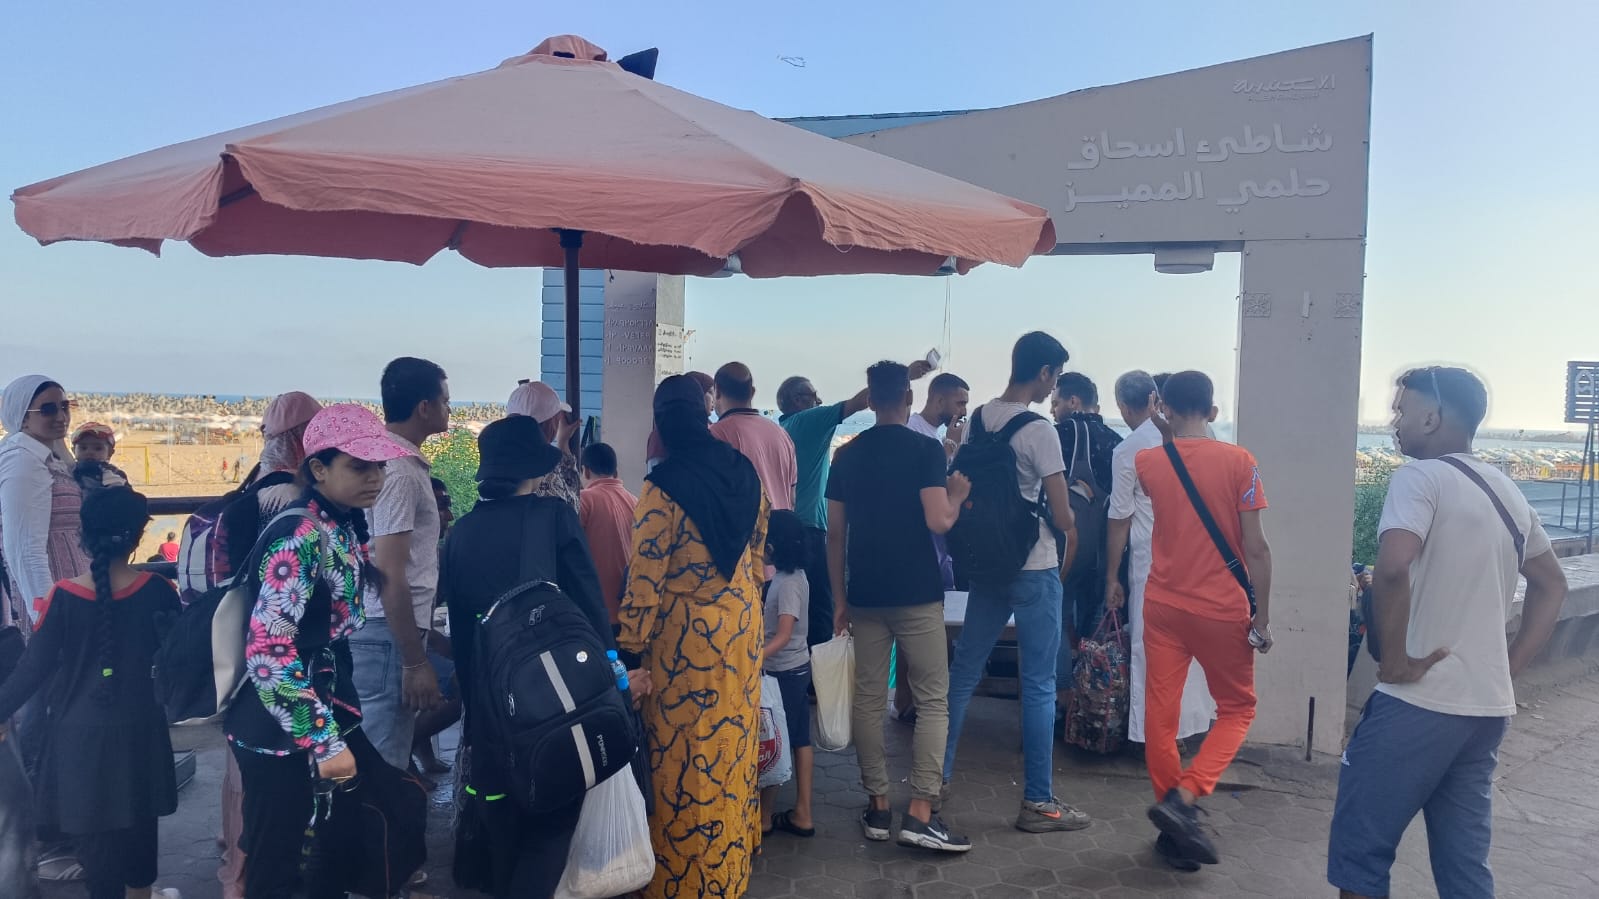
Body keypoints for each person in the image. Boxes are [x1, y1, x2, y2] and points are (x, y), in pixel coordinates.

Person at [1328, 367, 1568, 899]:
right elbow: (1553, 585)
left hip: (1418, 704)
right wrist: (1508, 668)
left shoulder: (1419, 478)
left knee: (1360, 856)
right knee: (1464, 866)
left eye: (1401, 409)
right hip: (1485, 712)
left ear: (1432, 417)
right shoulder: (1508, 492)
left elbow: (1393, 566)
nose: (1394, 420)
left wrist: (1395, 660)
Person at [225, 403, 415, 899]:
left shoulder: (337, 523)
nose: (375, 477)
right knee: (280, 862)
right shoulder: (301, 535)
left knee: (324, 854)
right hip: (281, 725)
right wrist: (324, 742)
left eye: (379, 466)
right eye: (359, 466)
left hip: (319, 705)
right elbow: (268, 653)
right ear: (319, 469)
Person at [441, 416, 620, 898]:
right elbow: (589, 602)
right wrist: (614, 671)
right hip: (554, 697)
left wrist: (474, 709)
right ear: (535, 470)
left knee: (502, 812)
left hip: (489, 703)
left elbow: (461, 630)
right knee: (551, 815)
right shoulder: (553, 516)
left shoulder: (460, 533)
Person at [618, 375, 768, 899]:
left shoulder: (663, 488)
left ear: (662, 424)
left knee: (685, 760)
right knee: (733, 748)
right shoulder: (744, 471)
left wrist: (629, 653)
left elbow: (644, 582)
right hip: (742, 633)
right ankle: (730, 870)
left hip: (686, 648)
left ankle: (684, 884)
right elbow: (757, 556)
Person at [0, 487, 182, 899]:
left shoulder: (62, 596)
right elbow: (179, 663)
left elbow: (32, 670)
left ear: (83, 536)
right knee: (140, 843)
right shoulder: (158, 591)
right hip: (140, 736)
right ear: (137, 537)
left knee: (98, 858)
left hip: (77, 744)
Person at [942, 332, 1087, 834]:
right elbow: (1063, 516)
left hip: (988, 567)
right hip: (1034, 567)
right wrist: (1073, 508)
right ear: (1044, 372)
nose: (1054, 388)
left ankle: (934, 782)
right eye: (1055, 377)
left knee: (963, 673)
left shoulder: (979, 418)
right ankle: (1038, 803)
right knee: (1040, 684)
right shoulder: (1040, 430)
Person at [827, 362, 973, 852]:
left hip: (865, 592)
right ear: (909, 399)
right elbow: (939, 521)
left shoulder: (846, 456)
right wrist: (956, 496)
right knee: (932, 699)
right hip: (917, 591)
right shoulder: (926, 450)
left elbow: (835, 535)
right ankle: (921, 814)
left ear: (870, 400)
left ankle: (877, 807)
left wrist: (840, 599)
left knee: (869, 699)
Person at [1133, 371, 1271, 870]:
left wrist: (1165, 430)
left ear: (1163, 408)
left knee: (1161, 717)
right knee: (1237, 710)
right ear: (1213, 411)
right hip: (1221, 609)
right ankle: (1185, 798)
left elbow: (1174, 471)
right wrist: (1263, 617)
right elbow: (1256, 548)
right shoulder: (1240, 462)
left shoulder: (1149, 461)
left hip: (1164, 606)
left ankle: (1174, 829)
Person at [216, 391, 322, 899]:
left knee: (248, 785)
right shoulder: (294, 504)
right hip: (280, 671)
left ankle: (239, 871)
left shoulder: (244, 497)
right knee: (280, 798)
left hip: (239, 670)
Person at [0, 376, 91, 882]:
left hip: (67, 597)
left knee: (54, 710)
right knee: (46, 713)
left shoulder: (48, 456)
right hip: (52, 603)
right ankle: (44, 839)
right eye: (48, 409)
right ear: (22, 414)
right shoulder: (21, 460)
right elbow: (24, 548)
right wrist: (47, 617)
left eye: (64, 405)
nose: (60, 416)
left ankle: (52, 831)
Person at [778, 359, 932, 648]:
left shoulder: (783, 428)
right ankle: (820, 673)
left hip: (786, 528)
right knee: (820, 614)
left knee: (791, 611)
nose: (819, 401)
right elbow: (858, 403)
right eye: (814, 396)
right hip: (809, 531)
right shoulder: (809, 421)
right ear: (798, 400)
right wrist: (904, 377)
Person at [1105, 372, 1216, 761]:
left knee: (1149, 647)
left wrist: (1111, 576)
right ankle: (1188, 727)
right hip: (1199, 561)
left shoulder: (1130, 450)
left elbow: (1119, 518)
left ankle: (1154, 736)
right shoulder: (1209, 441)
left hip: (1151, 563)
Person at [360, 358, 450, 773]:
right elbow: (390, 571)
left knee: (388, 752)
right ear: (423, 408)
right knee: (382, 764)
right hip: (387, 632)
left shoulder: (396, 464)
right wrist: (414, 662)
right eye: (445, 401)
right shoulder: (397, 471)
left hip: (392, 628)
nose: (449, 409)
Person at [895, 372, 969, 721]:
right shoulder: (915, 432)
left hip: (938, 546)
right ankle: (907, 700)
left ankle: (921, 701)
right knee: (914, 627)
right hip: (919, 545)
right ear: (939, 400)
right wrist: (950, 447)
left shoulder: (936, 436)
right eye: (959, 402)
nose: (963, 410)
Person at [759, 509, 815, 841]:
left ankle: (766, 816)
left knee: (777, 740)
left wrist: (753, 658)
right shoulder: (787, 577)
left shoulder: (790, 583)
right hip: (790, 670)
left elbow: (783, 635)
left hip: (786, 672)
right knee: (797, 738)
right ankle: (801, 812)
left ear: (773, 546)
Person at [710, 362, 798, 513]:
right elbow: (792, 497)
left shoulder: (715, 435)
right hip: (782, 525)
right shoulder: (782, 435)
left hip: (746, 527)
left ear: (716, 391)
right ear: (752, 392)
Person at [578, 443, 638, 623]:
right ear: (616, 472)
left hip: (597, 608)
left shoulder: (584, 500)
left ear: (585, 471)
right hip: (629, 605)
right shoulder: (635, 502)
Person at [506, 380, 584, 510]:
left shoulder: (499, 461)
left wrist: (562, 442)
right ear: (551, 423)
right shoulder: (542, 468)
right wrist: (562, 443)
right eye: (557, 417)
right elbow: (573, 507)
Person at [645, 371, 713, 471]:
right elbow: (655, 474)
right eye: (710, 392)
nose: (713, 399)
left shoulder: (709, 429)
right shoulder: (661, 435)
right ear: (696, 393)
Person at [908, 372, 969, 463]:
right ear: (940, 401)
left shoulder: (938, 437)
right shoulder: (911, 429)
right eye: (960, 404)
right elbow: (925, 471)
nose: (964, 412)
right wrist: (951, 442)